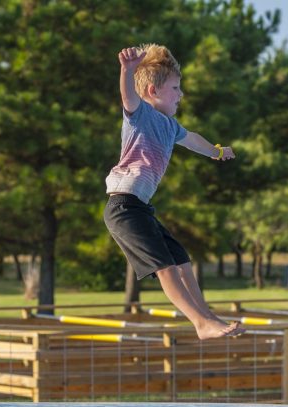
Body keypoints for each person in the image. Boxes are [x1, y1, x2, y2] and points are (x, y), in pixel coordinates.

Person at [104, 44, 245, 340]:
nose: (181, 95)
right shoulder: (140, 115)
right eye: (176, 88)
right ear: (154, 91)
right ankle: (199, 322)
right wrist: (127, 70)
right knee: (165, 267)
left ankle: (207, 316)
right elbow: (127, 96)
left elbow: (193, 139)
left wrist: (217, 152)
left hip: (140, 208)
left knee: (181, 259)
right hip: (122, 207)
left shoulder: (171, 126)